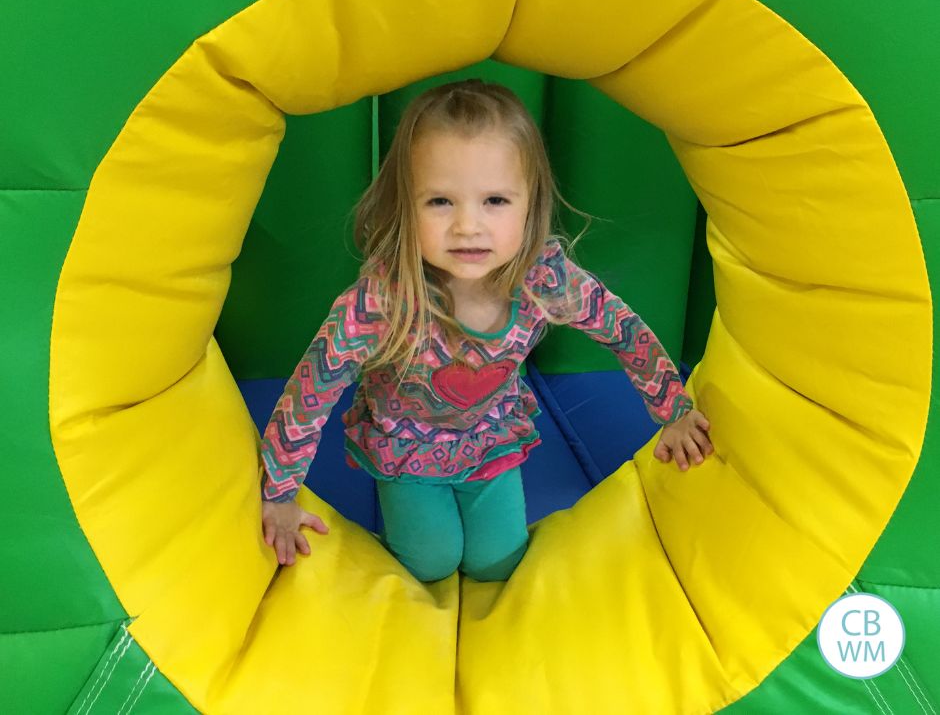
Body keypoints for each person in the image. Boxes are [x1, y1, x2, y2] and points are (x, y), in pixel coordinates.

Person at [258, 79, 713, 582]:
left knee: (496, 563)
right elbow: (310, 391)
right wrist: (279, 496)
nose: (467, 226)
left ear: (529, 203)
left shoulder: (543, 279)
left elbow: (622, 329)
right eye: (440, 202)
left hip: (490, 443)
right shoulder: (384, 301)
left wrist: (674, 411)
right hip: (406, 451)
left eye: (495, 200)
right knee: (431, 562)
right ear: (405, 204)